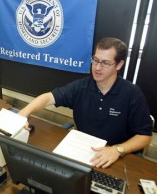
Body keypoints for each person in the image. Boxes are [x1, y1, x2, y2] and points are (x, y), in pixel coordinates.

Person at [18, 37, 152, 168]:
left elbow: (144, 136)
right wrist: (23, 114)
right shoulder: (81, 86)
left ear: (119, 65)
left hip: (115, 157)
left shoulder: (132, 94)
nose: (97, 67)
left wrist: (117, 150)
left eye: (105, 63)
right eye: (95, 60)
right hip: (82, 151)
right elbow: (49, 97)